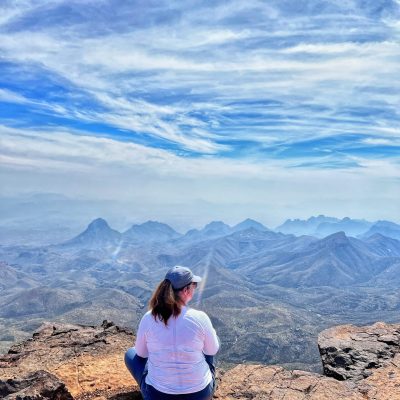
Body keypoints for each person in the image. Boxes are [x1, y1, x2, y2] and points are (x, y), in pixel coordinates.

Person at [125, 265, 220, 400]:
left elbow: (141, 354)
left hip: (157, 396)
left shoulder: (149, 317)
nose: (195, 288)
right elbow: (212, 351)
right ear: (186, 290)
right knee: (213, 341)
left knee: (130, 354)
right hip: (200, 395)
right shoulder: (200, 317)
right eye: (194, 285)